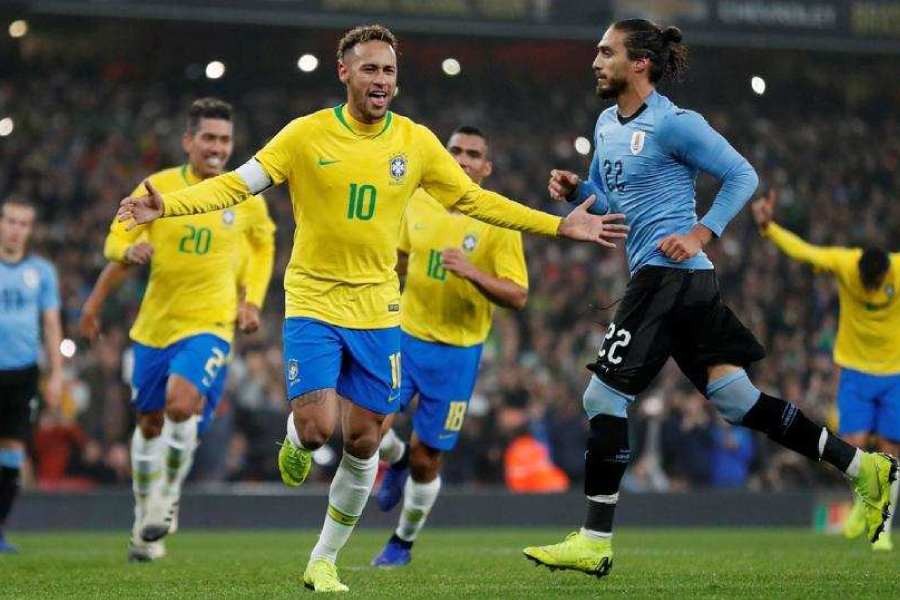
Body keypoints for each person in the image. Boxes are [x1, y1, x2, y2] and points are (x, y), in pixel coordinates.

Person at [116, 24, 629, 592]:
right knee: (316, 432)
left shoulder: (414, 142)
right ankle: (296, 436)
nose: (380, 79)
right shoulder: (306, 135)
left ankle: (323, 559)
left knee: (362, 441)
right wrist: (170, 207)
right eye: (369, 69)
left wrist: (559, 224)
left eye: (388, 70)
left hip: (380, 310)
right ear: (345, 73)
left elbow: (477, 201)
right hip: (312, 299)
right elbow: (237, 185)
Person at [522, 18, 897, 578]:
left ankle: (595, 540)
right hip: (678, 281)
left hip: (668, 276)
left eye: (606, 52)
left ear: (639, 63)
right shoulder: (605, 124)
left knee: (602, 398)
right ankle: (861, 467)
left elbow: (741, 175)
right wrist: (580, 191)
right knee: (737, 401)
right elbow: (610, 205)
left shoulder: (676, 123)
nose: (595, 62)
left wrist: (702, 231)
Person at [80, 97, 275, 562]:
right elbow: (117, 235)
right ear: (188, 140)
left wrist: (252, 303)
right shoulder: (159, 188)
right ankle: (144, 518)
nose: (217, 147)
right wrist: (125, 254)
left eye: (225, 139)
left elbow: (264, 249)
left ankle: (167, 498)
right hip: (154, 326)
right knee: (148, 424)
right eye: (208, 137)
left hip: (211, 323)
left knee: (181, 405)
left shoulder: (243, 194)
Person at [371, 126, 530, 567]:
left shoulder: (499, 219)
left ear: (486, 167)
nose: (462, 159)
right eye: (455, 151)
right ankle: (394, 458)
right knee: (367, 426)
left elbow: (517, 295)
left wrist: (472, 273)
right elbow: (401, 258)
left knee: (428, 460)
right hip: (404, 337)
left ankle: (402, 541)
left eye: (473, 154)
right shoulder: (417, 200)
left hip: (457, 354)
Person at [752, 189, 900, 551]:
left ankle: (882, 530)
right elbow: (803, 251)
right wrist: (769, 228)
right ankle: (861, 506)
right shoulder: (845, 262)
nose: (867, 290)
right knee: (853, 446)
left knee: (891, 448)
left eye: (873, 285)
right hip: (854, 370)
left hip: (895, 371)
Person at [0, 196, 63, 554]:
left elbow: (51, 324)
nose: (15, 229)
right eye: (10, 221)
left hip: (23, 371)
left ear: (30, 229)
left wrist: (56, 374)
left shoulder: (41, 272)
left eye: (23, 223)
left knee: (12, 450)